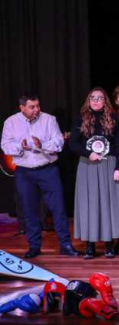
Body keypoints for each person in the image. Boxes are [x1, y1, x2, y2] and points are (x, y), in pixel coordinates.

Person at [1, 93, 77, 258]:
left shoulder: (49, 120)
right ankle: (34, 246)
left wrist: (41, 145)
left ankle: (65, 245)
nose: (37, 109)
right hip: (24, 172)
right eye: (32, 107)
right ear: (22, 108)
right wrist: (19, 147)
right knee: (29, 210)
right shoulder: (11, 122)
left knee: (58, 208)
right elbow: (5, 146)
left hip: (47, 169)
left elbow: (58, 142)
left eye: (38, 106)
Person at [69, 87, 119, 259]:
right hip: (88, 166)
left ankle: (109, 244)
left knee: (107, 204)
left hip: (108, 165)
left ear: (105, 101)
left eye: (99, 98)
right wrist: (89, 153)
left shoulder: (113, 119)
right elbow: (73, 143)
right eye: (92, 98)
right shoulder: (82, 118)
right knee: (90, 205)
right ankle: (90, 246)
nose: (95, 101)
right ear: (88, 100)